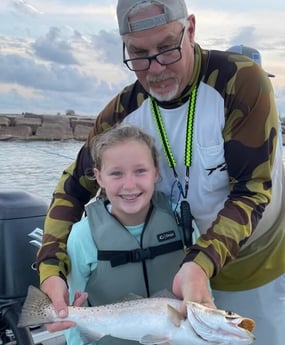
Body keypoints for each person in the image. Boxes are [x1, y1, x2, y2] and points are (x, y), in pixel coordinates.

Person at [36, 1, 285, 344]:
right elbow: (72, 187)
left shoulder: (240, 83)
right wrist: (51, 268)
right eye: (138, 54)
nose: (155, 69)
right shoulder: (123, 112)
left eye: (167, 48)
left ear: (191, 30)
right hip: (177, 272)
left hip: (251, 265)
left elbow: (252, 189)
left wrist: (202, 263)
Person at [64, 123, 199, 345]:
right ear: (99, 177)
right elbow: (74, 310)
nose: (129, 185)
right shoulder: (82, 236)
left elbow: (202, 294)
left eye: (140, 171)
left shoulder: (182, 223)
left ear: (155, 171)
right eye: (116, 173)